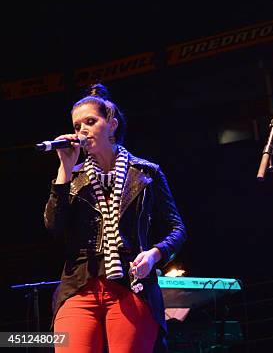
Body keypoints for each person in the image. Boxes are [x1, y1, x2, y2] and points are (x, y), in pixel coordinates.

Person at [44, 84, 186, 352]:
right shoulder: (73, 178)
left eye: (90, 121)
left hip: (131, 287)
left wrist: (154, 254)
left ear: (112, 125)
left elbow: (177, 228)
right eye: (76, 126)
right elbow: (54, 226)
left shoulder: (146, 173)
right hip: (78, 287)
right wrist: (64, 169)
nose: (82, 131)